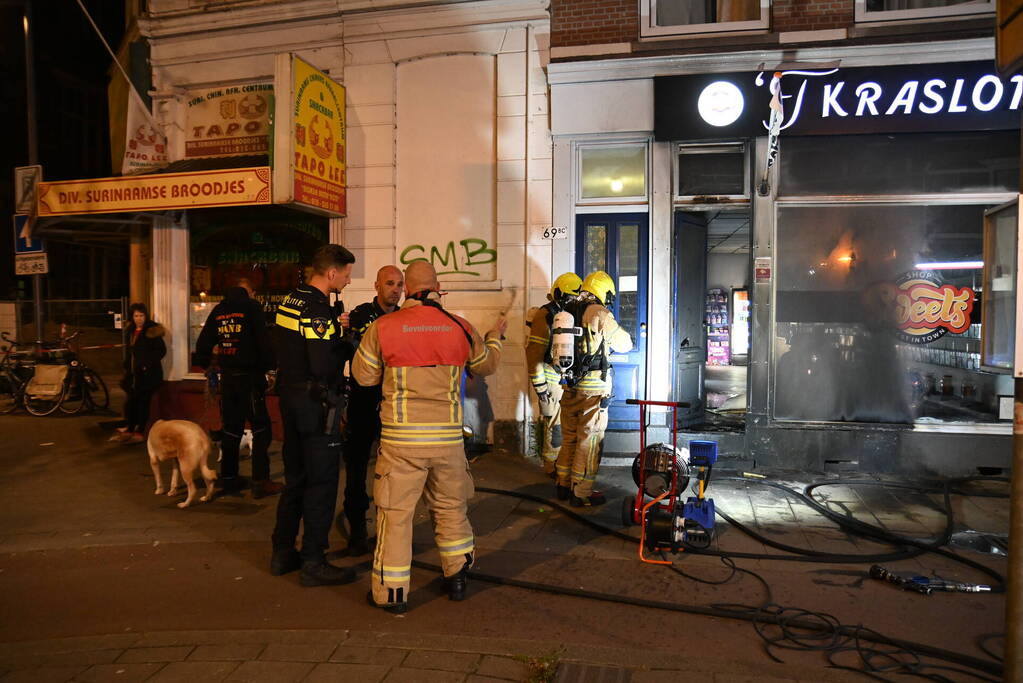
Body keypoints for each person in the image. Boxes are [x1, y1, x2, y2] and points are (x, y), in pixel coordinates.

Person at [352, 261, 506, 613]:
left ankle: (391, 594)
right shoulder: (459, 327)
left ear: (407, 289)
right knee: (451, 508)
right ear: (438, 287)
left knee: (395, 515)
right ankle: (458, 577)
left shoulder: (383, 327)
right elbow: (486, 365)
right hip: (447, 442)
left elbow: (363, 377)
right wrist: (495, 337)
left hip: (401, 443)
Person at [269, 244, 358, 587]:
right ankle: (313, 561)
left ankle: (282, 553)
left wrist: (333, 328)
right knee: (321, 482)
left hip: (290, 399)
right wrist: (346, 342)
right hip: (316, 404)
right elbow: (322, 364)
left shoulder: (290, 301)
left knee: (295, 478)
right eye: (346, 274)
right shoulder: (317, 309)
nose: (348, 281)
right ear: (332, 272)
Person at [193, 277, 282, 498]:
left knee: (231, 430)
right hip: (250, 378)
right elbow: (263, 340)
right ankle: (260, 481)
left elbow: (203, 344)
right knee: (261, 429)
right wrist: (271, 368)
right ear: (248, 292)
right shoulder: (252, 308)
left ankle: (229, 479)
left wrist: (206, 364)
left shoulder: (219, 310)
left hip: (228, 379)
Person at [337, 265, 404, 557]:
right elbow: (344, 351)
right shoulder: (361, 315)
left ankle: (389, 533)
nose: (395, 290)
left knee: (393, 474)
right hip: (362, 403)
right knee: (356, 470)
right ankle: (357, 533)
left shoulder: (405, 318)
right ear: (377, 285)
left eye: (400, 284)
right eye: (390, 283)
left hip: (392, 405)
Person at [554, 271, 633, 507]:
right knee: (589, 441)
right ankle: (581, 492)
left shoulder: (568, 311)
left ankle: (562, 484)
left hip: (569, 386)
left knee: (569, 437)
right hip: (594, 389)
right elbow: (625, 344)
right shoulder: (599, 313)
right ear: (603, 291)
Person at [524, 272, 582, 477]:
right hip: (554, 379)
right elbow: (534, 353)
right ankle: (552, 467)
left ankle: (561, 465)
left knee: (562, 424)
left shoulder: (554, 314)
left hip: (564, 378)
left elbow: (534, 353)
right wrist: (541, 388)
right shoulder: (547, 315)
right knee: (555, 425)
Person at [110, 303, 166, 444]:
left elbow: (161, 351)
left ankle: (140, 431)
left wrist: (146, 365)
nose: (139, 318)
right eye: (136, 316)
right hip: (134, 374)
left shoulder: (151, 331)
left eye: (141, 315)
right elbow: (132, 352)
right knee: (131, 402)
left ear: (146, 316)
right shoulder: (132, 331)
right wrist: (127, 365)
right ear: (132, 317)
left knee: (143, 403)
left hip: (147, 375)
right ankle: (130, 428)